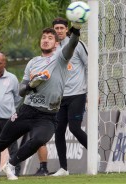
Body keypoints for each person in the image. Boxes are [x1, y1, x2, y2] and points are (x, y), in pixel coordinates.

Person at [0, 26, 81, 181]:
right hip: (27, 111)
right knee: (0, 142)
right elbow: (20, 91)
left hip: (47, 115)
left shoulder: (61, 58)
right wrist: (30, 86)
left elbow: (72, 44)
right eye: (43, 37)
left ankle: (10, 165)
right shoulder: (33, 63)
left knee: (40, 139)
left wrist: (76, 31)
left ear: (56, 44)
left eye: (50, 38)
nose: (46, 40)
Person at [50, 17, 88, 176]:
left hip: (78, 94)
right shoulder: (54, 49)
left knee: (74, 128)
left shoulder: (78, 44)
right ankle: (63, 168)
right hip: (60, 97)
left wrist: (93, 92)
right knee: (58, 131)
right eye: (56, 28)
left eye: (61, 28)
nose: (59, 31)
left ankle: (94, 153)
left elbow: (90, 65)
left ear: (66, 29)